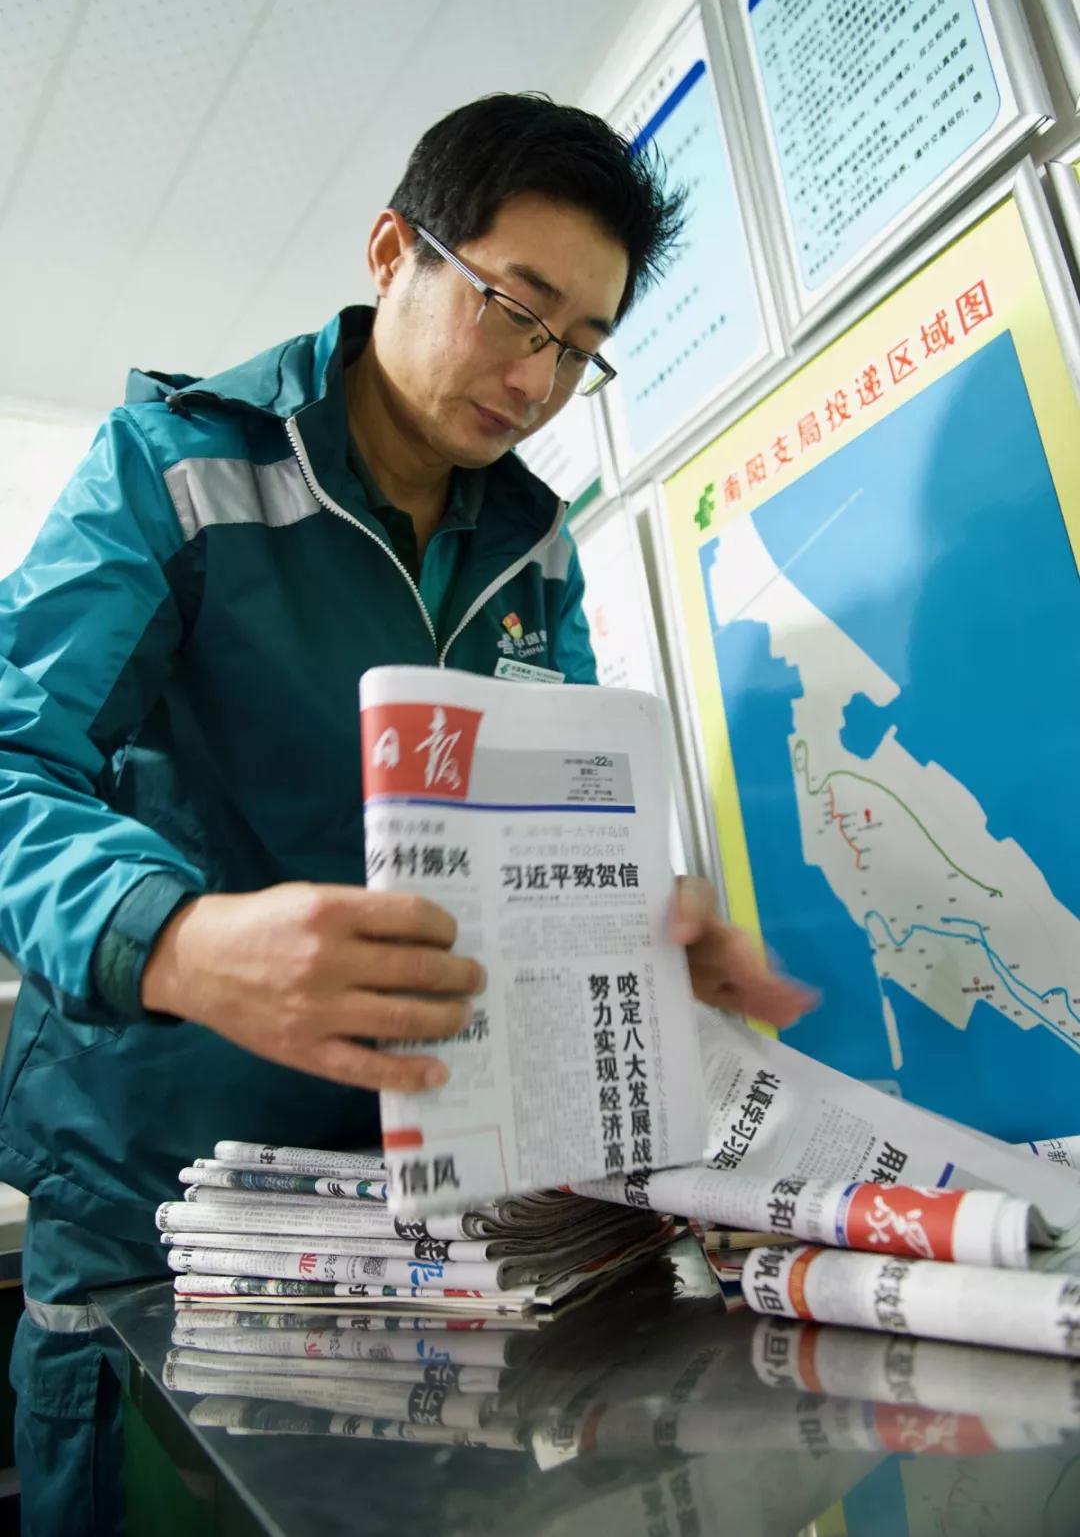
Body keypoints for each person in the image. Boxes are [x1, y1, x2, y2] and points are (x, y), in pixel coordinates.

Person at [0, 92, 811, 1533]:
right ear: (394, 252)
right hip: (160, 1192)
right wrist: (177, 942)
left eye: (580, 348)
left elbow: (550, 824)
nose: (536, 378)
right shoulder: (173, 468)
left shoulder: (534, 549)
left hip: (425, 1214)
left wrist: (638, 921)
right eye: (516, 308)